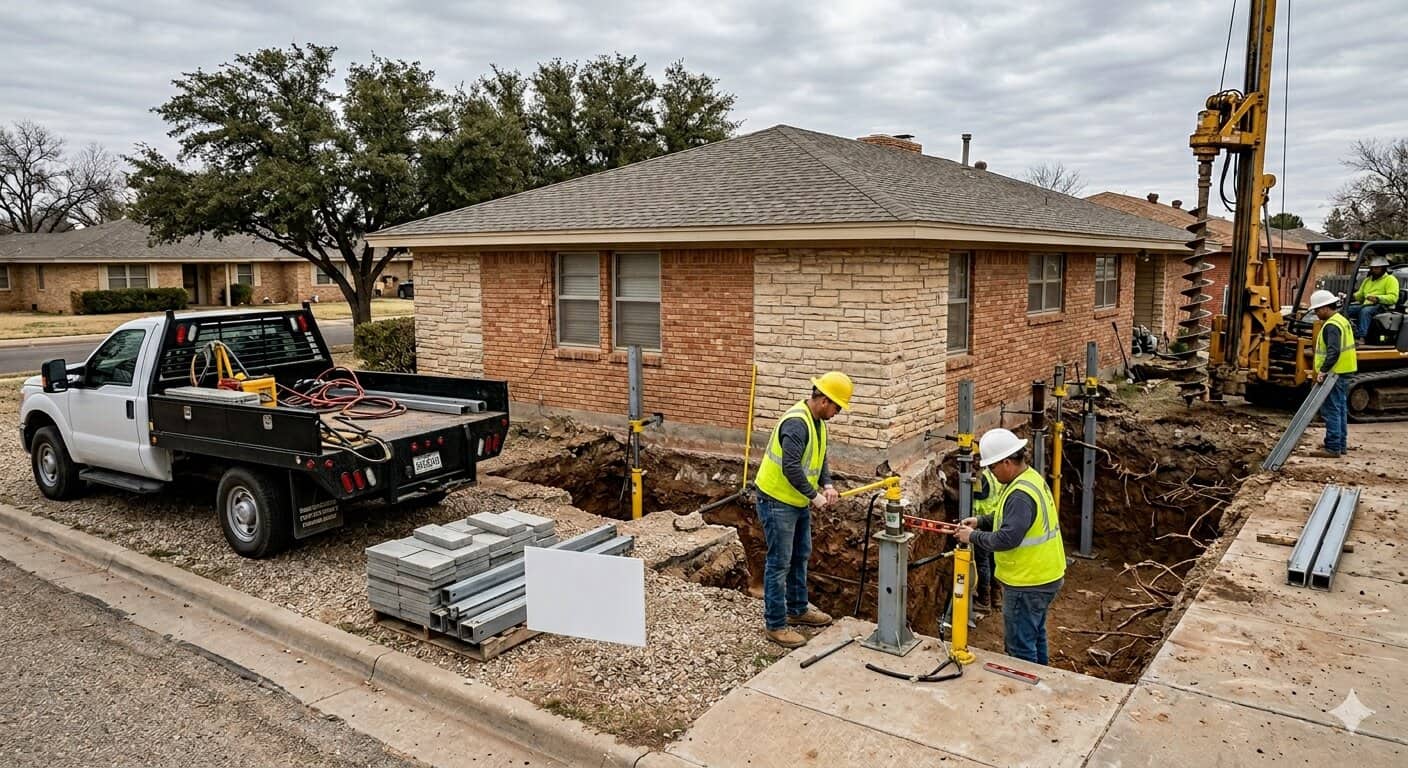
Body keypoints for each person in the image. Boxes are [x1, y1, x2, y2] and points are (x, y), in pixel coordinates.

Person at [752, 371, 852, 648]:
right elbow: (791, 467)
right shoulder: (797, 424)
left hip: (795, 501)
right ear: (823, 400)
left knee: (801, 555)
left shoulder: (818, 422)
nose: (838, 412)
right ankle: (775, 625)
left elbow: (819, 457)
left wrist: (828, 484)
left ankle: (797, 610)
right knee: (779, 562)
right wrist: (815, 496)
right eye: (837, 407)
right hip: (776, 501)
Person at [956, 428, 1065, 665]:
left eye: (992, 468)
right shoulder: (1030, 479)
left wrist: (972, 536)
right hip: (1044, 575)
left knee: (1020, 646)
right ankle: (1042, 678)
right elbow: (1012, 518)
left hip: (1028, 581)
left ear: (1006, 462)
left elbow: (1007, 539)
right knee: (1035, 634)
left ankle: (1026, 692)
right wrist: (981, 521)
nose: (991, 474)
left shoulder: (1019, 494)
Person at [1307, 289, 1358, 457]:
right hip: (1343, 371)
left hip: (1334, 373)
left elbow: (1333, 351)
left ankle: (1333, 447)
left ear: (1325, 308)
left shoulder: (1331, 325)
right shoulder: (1341, 320)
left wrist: (1323, 370)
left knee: (1331, 410)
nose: (1316, 313)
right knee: (1340, 408)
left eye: (1317, 310)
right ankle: (1340, 444)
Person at [970, 462, 1004, 609]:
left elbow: (974, 494)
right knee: (993, 561)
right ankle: (997, 597)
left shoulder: (982, 478)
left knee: (982, 562)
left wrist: (947, 486)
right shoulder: (994, 475)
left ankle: (984, 600)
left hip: (983, 524)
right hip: (995, 523)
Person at [1345, 255, 1400, 340]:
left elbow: (1393, 298)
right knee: (1345, 310)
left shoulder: (1390, 280)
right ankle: (1349, 333)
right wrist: (1350, 296)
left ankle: (1362, 336)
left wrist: (1378, 298)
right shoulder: (1368, 280)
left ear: (1383, 268)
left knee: (1365, 311)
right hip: (1366, 305)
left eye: (1377, 268)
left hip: (1382, 305)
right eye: (1373, 268)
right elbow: (1360, 295)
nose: (1374, 270)